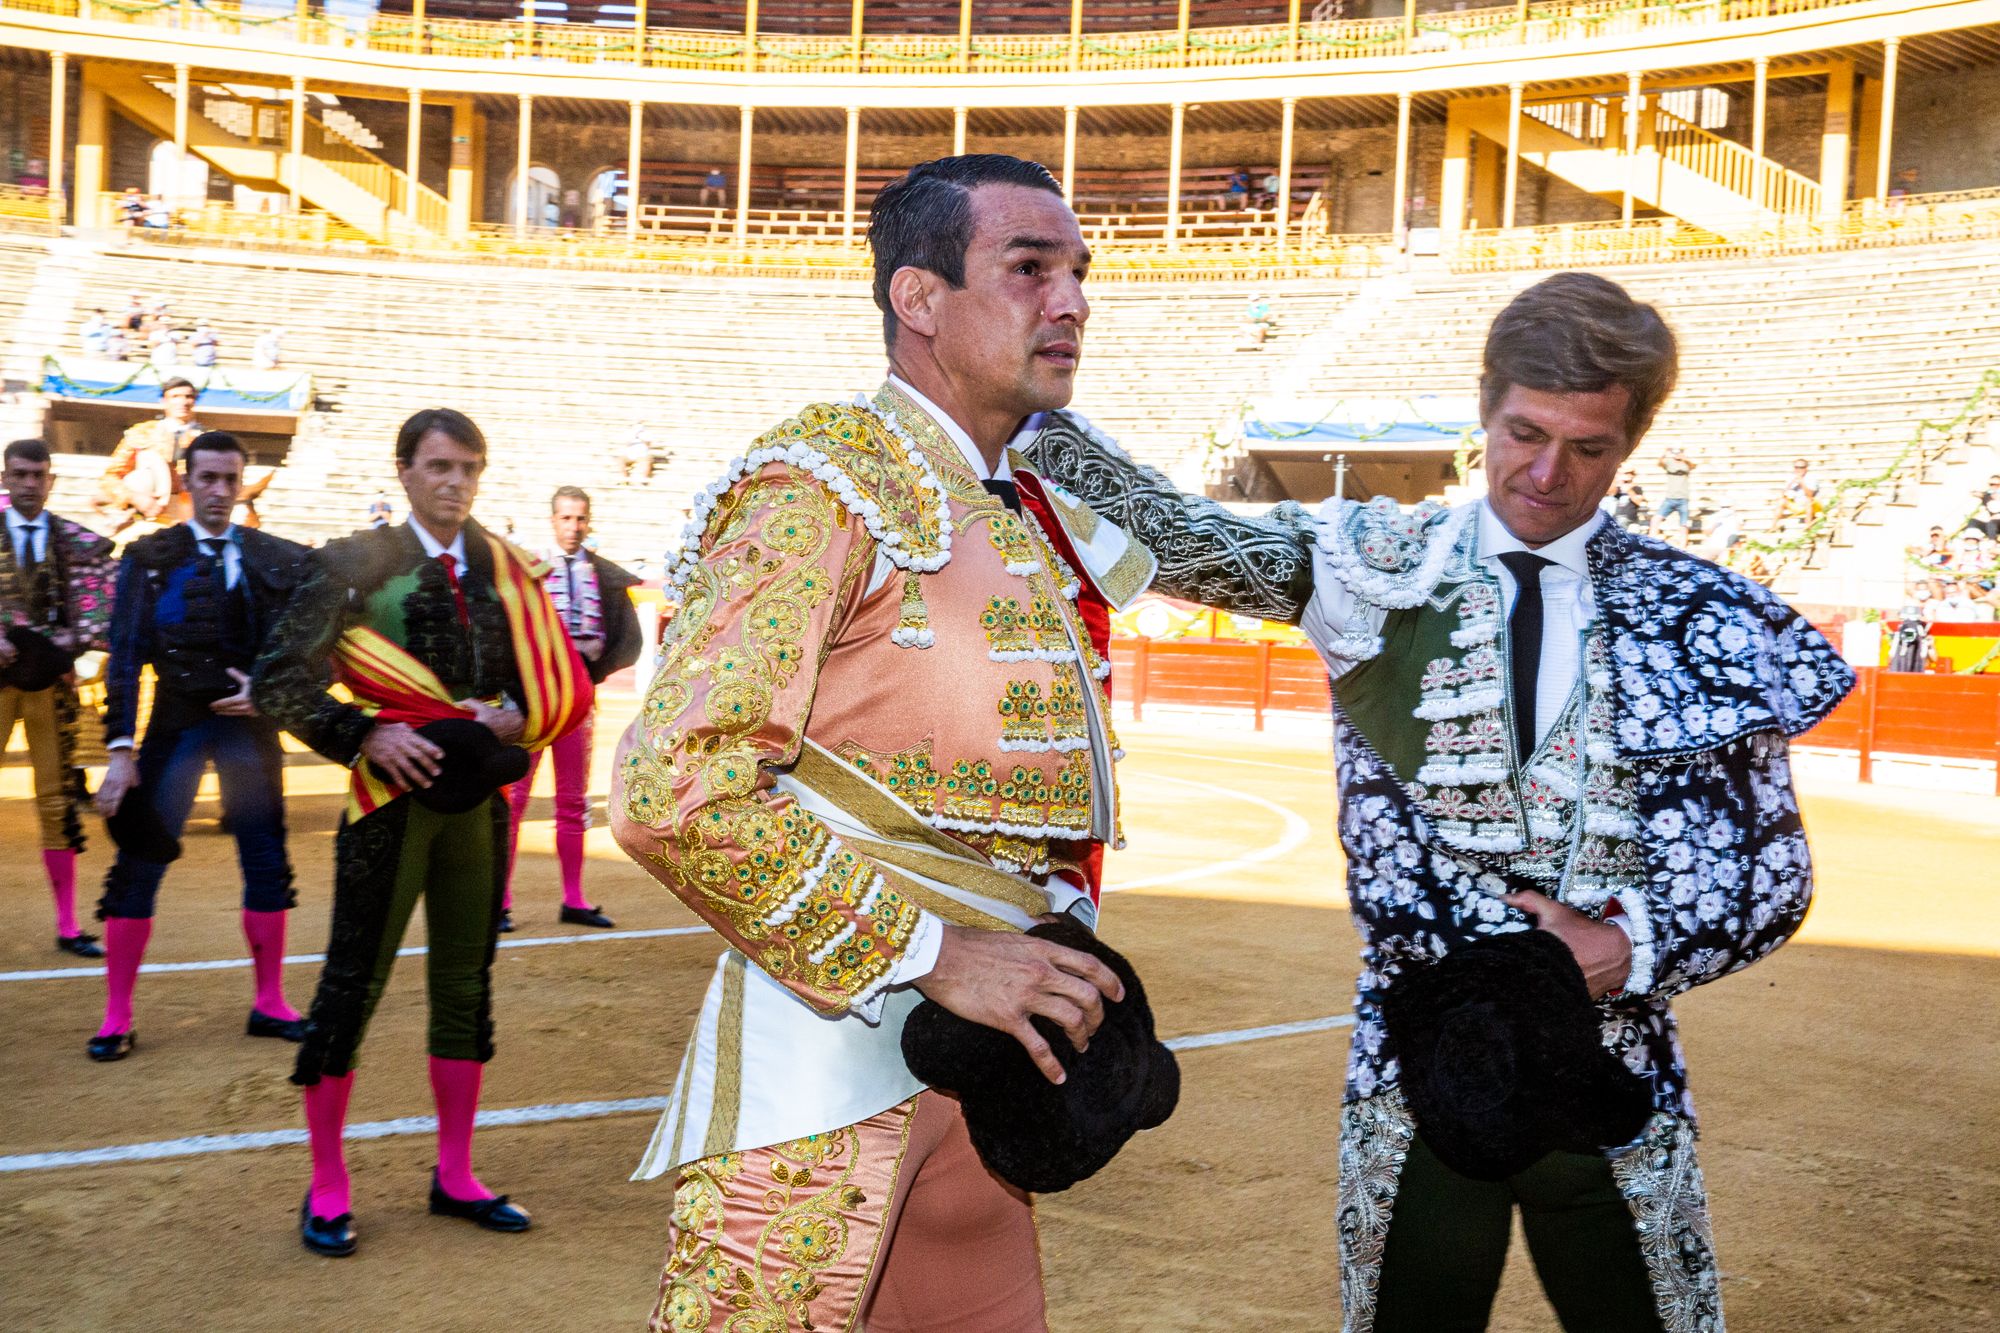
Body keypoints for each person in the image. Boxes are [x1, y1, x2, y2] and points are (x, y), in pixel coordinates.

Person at [1018, 270, 1855, 1331]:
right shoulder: (1372, 569)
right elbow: (1181, 536)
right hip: (1413, 1072)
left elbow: (1764, 874)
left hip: (1609, 1066)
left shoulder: (1701, 613)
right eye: (1522, 432)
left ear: (1630, 443)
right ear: (1483, 406)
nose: (1545, 473)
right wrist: (1026, 408)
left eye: (1587, 448)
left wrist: (1626, 949)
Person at [609, 154, 1145, 1332]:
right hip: (825, 1066)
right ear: (917, 298)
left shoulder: (1019, 503)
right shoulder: (818, 487)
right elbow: (672, 787)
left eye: (1078, 273)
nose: (1072, 302)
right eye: (1028, 268)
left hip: (985, 1069)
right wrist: (927, 952)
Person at [254, 408, 593, 1258]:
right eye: (439, 466)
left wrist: (519, 713)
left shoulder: (504, 565)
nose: (457, 482)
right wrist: (363, 733)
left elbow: (534, 681)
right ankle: (329, 1182)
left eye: (470, 467)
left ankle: (456, 1173)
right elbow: (278, 679)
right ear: (405, 470)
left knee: (465, 983)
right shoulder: (353, 562)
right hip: (388, 800)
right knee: (350, 986)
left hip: (476, 804)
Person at [88, 433, 315, 1062]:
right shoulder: (151, 554)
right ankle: (117, 1015)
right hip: (176, 723)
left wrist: (270, 691)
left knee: (267, 860)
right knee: (141, 859)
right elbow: (127, 655)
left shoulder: (276, 557)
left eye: (229, 479)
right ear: (188, 482)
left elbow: (315, 640)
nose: (218, 492)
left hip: (249, 726)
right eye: (208, 479)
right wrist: (120, 750)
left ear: (242, 483)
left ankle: (270, 1002)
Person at [501, 486, 642, 932]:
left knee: (572, 800)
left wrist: (593, 670)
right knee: (516, 799)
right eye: (565, 518)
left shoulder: (602, 576)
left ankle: (574, 899)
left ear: (588, 521)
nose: (573, 527)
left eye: (580, 519)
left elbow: (626, 640)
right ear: (553, 520)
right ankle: (499, 902)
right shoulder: (529, 572)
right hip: (534, 700)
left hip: (578, 700)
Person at [1, 440, 117, 959]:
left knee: (55, 800)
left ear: (51, 480)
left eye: (38, 475)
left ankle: (68, 924)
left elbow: (98, 601)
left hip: (48, 686)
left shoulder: (71, 540)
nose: (29, 483)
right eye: (20, 474)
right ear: (5, 477)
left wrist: (74, 641)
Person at [96, 377, 204, 533]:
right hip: (148, 517)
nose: (183, 402)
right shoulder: (142, 433)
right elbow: (111, 476)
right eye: (175, 396)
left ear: (194, 401)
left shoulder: (207, 438)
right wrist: (135, 498)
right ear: (163, 401)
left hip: (193, 520)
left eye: (189, 397)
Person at [1653, 446, 1694, 534]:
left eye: (1679, 452)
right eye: (1675, 453)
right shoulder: (1669, 462)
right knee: (1656, 519)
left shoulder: (1686, 463)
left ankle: (1682, 546)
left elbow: (1693, 466)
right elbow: (1659, 463)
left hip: (1683, 498)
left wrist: (1685, 459)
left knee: (1684, 524)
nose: (1677, 455)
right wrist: (1665, 452)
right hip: (1670, 497)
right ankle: (1650, 541)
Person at [1775, 456, 1821, 531]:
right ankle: (1773, 526)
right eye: (1796, 467)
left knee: (1808, 501)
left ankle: (1808, 526)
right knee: (1781, 501)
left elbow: (1810, 495)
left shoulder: (1812, 478)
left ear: (1806, 468)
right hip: (1798, 505)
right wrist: (1790, 484)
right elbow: (1782, 495)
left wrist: (1802, 482)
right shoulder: (1791, 478)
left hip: (1813, 505)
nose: (1799, 469)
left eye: (1801, 467)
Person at [1607, 467, 1646, 531]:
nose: (1629, 475)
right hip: (1615, 518)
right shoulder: (1617, 488)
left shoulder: (1636, 488)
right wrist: (1617, 481)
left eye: (1631, 473)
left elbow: (1638, 502)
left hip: (1629, 520)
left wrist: (1629, 491)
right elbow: (1609, 493)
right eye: (1626, 473)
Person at [1966, 474, 2000, 539]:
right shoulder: (1987, 495)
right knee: (1973, 521)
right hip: (1990, 521)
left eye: (1996, 484)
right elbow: (1973, 492)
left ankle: (1992, 542)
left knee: (1991, 523)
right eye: (1991, 484)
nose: (1994, 486)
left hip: (1996, 522)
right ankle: (1971, 541)